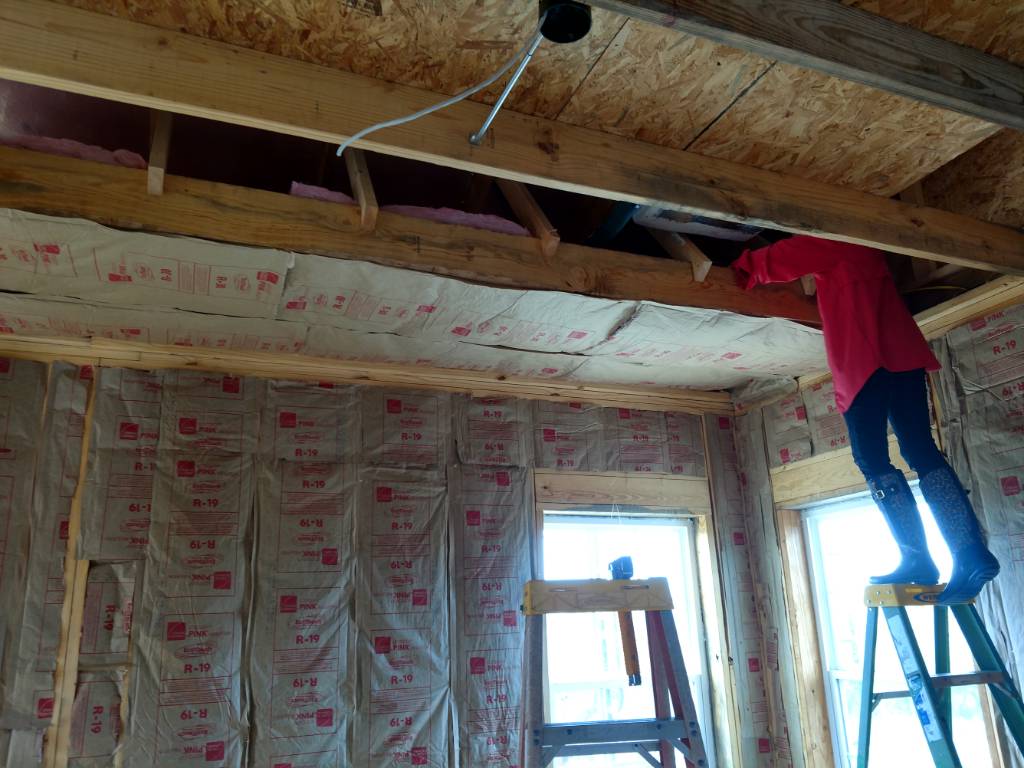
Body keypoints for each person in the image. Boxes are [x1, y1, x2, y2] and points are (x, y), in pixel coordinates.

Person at [732, 235, 999, 604]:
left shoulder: (833, 239)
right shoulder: (866, 244)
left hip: (863, 357)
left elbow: (780, 258)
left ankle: (918, 559)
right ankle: (970, 553)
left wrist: (742, 267)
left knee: (872, 460)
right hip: (902, 353)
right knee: (921, 450)